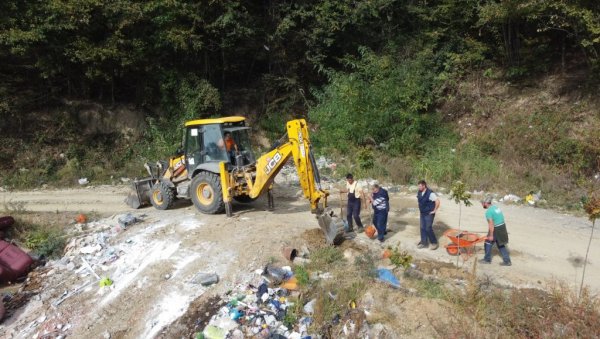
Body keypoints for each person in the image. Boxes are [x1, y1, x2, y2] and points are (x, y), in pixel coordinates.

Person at [480, 195, 512, 266]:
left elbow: (491, 224)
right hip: (502, 226)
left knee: (488, 242)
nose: (482, 205)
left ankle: (487, 259)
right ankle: (507, 261)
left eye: (482, 203)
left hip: (496, 228)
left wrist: (491, 235)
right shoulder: (496, 207)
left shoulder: (488, 212)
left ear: (486, 203)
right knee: (500, 244)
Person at [416, 180, 440, 250]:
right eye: (418, 186)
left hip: (429, 213)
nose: (419, 187)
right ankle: (424, 242)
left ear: (424, 186)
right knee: (422, 227)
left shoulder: (430, 193)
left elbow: (437, 201)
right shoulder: (419, 192)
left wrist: (434, 210)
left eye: (420, 186)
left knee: (428, 228)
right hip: (422, 213)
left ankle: (434, 243)